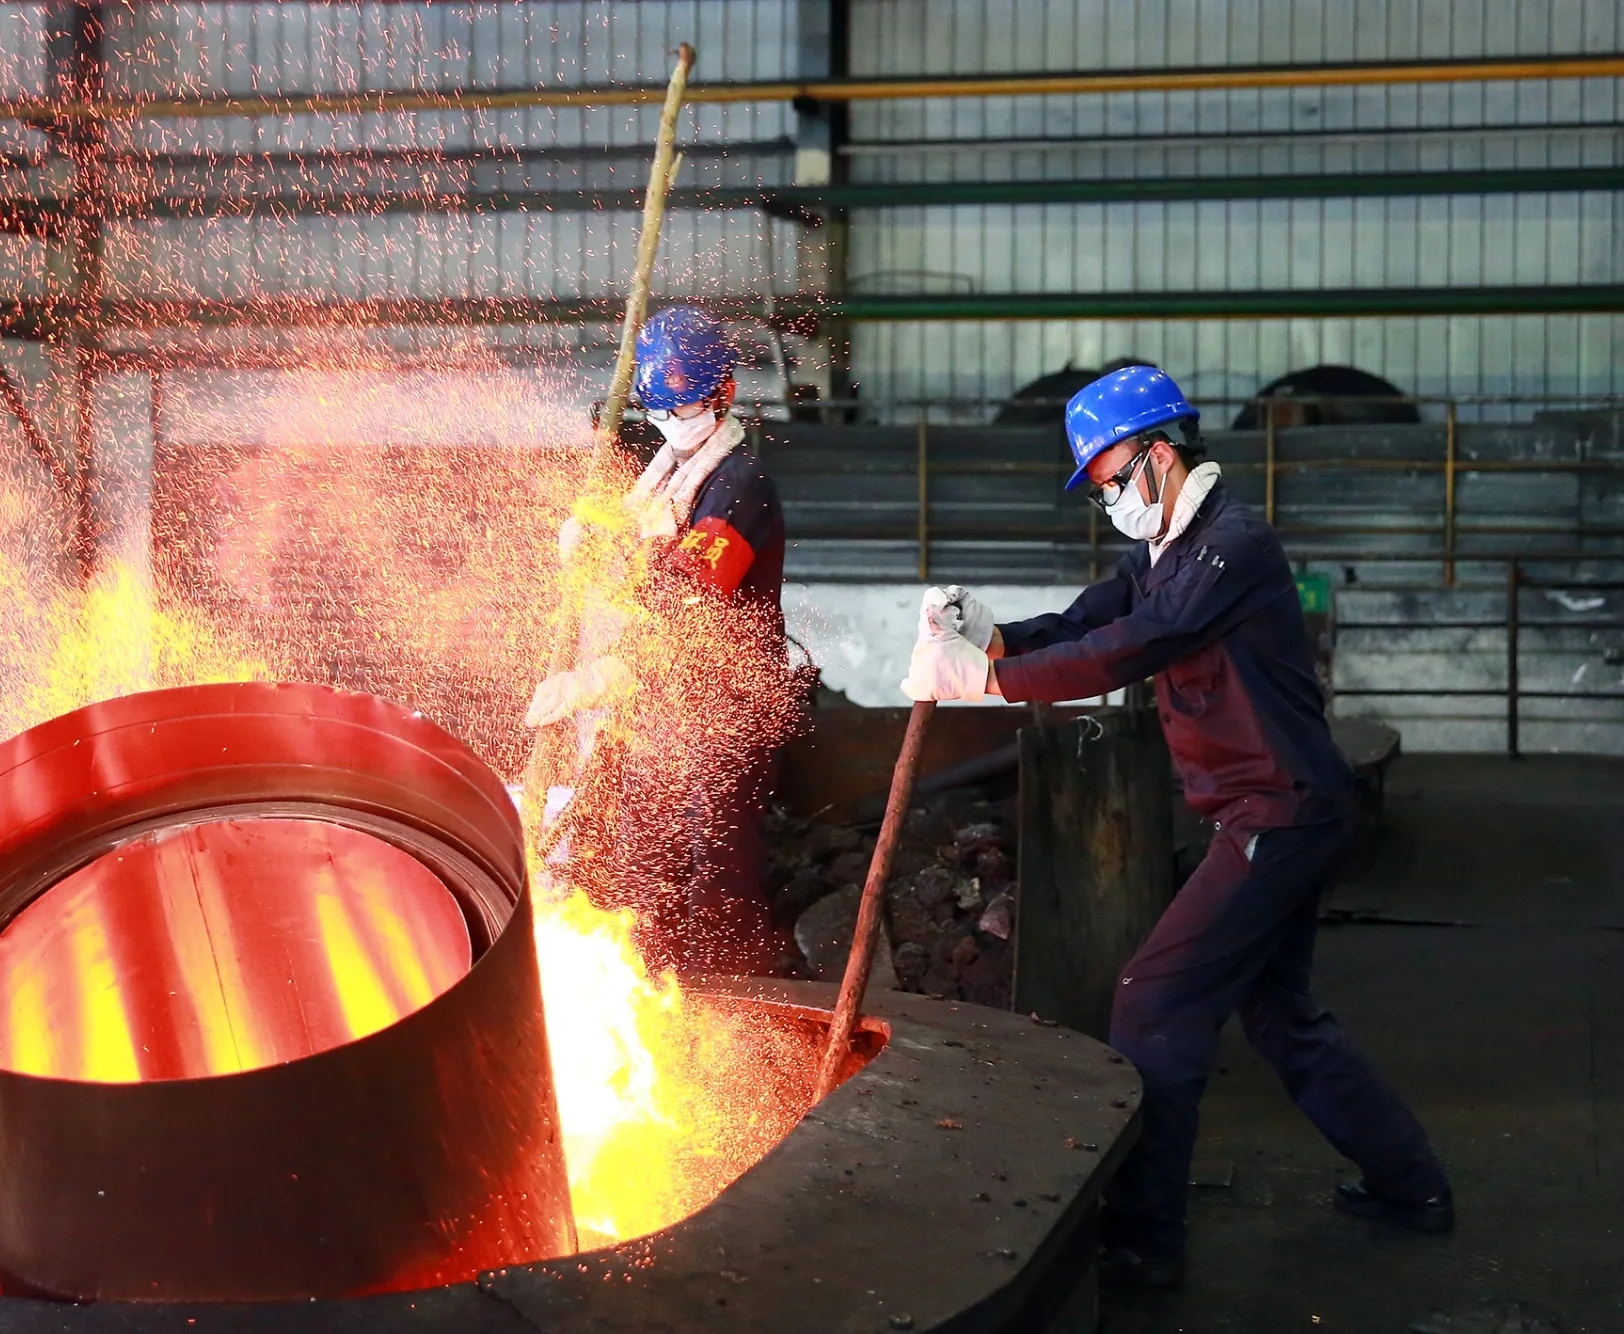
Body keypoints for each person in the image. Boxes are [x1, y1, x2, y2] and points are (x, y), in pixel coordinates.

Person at [899, 364, 1452, 1291]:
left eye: (1114, 476)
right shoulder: (1163, 553)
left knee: (1153, 1005)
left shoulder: (1233, 546)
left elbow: (1134, 649)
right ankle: (1413, 1186)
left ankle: (1144, 1243)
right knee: (1282, 1017)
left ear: (1162, 453)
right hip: (1269, 810)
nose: (1109, 496)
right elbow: (1091, 619)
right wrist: (995, 636)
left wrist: (985, 684)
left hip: (1280, 811)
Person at [525, 306, 791, 972]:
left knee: (715, 877)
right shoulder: (663, 474)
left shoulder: (740, 486)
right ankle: (660, 1006)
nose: (671, 421)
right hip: (655, 711)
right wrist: (595, 545)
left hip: (719, 718)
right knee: (644, 873)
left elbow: (689, 605)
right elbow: (641, 564)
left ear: (724, 392)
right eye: (662, 410)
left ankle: (738, 1020)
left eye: (685, 407)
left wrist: (599, 677)